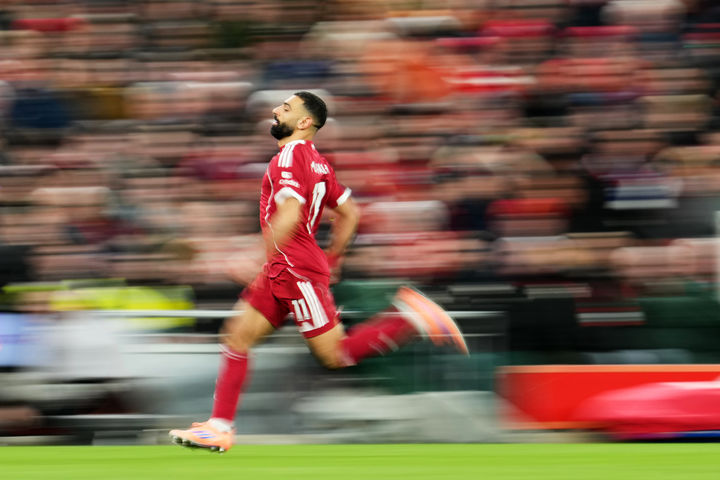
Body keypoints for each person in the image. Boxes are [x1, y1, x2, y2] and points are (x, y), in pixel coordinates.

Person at [169, 91, 468, 452]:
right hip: (286, 266)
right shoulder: (318, 163)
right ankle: (218, 427)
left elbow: (290, 214)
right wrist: (334, 258)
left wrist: (254, 252)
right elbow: (350, 213)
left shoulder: (288, 158)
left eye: (285, 108)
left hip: (295, 270)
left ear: (304, 121)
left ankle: (409, 317)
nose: (275, 110)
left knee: (335, 354)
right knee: (236, 337)